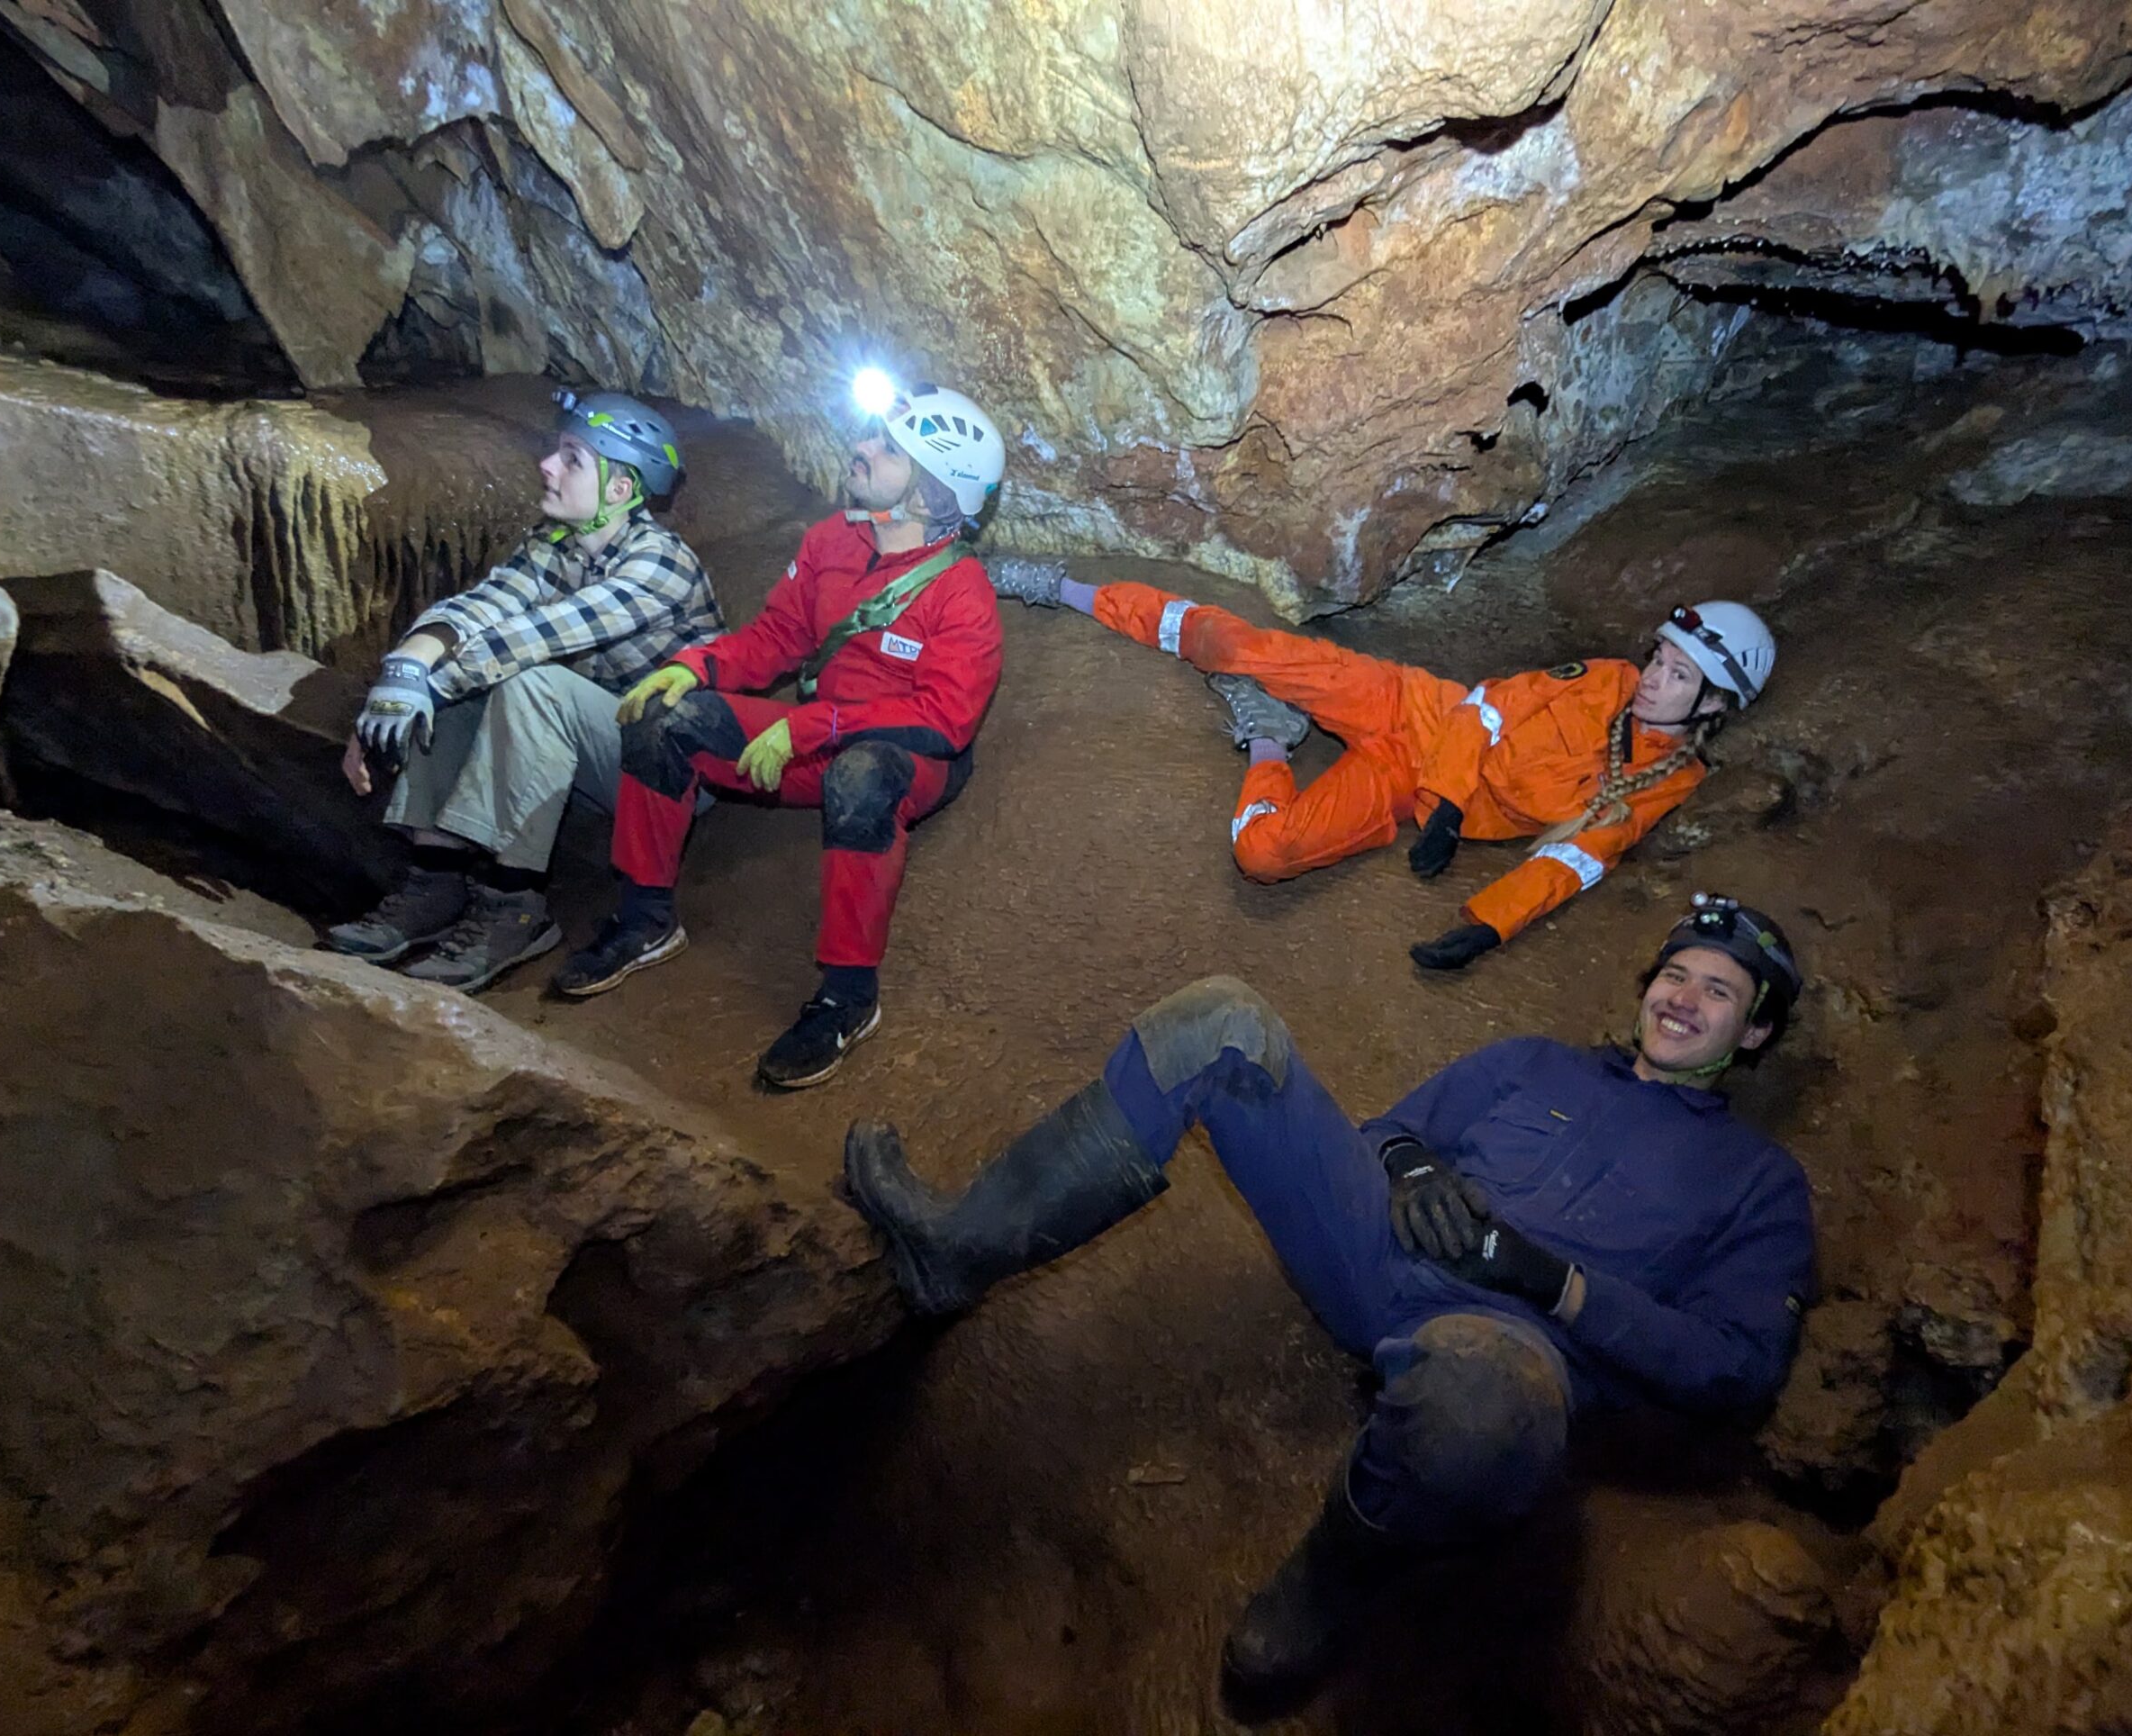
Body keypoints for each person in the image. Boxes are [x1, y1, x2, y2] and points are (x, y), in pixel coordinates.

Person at [843, 893, 1813, 1717]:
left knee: (1478, 1404)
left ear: (1755, 1032)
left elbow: (1737, 1364)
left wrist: (1552, 1282)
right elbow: (1387, 1128)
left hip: (1505, 1338)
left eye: (1717, 991)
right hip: (1375, 1248)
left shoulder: (1756, 1184)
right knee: (1220, 1021)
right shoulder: (1534, 1063)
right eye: (1674, 975)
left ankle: (1331, 1580)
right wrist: (1414, 1163)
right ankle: (956, 1250)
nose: (1682, 998)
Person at [553, 378, 1007, 1091]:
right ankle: (644, 919)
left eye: (885, 449)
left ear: (928, 493)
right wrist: (694, 665)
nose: (859, 449)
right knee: (664, 718)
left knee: (861, 776)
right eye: (869, 437)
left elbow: (944, 719)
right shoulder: (832, 540)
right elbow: (776, 640)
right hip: (809, 738)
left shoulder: (962, 594)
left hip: (903, 758)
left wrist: (819, 725)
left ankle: (847, 997)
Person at [990, 564, 1775, 970]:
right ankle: (1063, 586)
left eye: (1677, 675)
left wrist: (1488, 925)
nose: (1651, 678)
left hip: (1403, 788)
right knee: (1239, 648)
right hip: (1412, 710)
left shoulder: (1670, 781)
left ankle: (1266, 737)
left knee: (1265, 854)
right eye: (1659, 658)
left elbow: (1579, 855)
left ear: (1713, 708)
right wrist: (1451, 805)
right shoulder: (1604, 679)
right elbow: (1485, 708)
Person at [330, 391, 720, 992]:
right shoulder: (554, 545)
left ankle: (514, 905)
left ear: (620, 490)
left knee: (527, 679)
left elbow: (529, 638)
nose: (547, 465)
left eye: (572, 459)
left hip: (669, 772)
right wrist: (402, 672)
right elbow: (478, 611)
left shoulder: (660, 565)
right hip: (595, 752)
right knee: (470, 678)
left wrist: (419, 689)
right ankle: (435, 880)